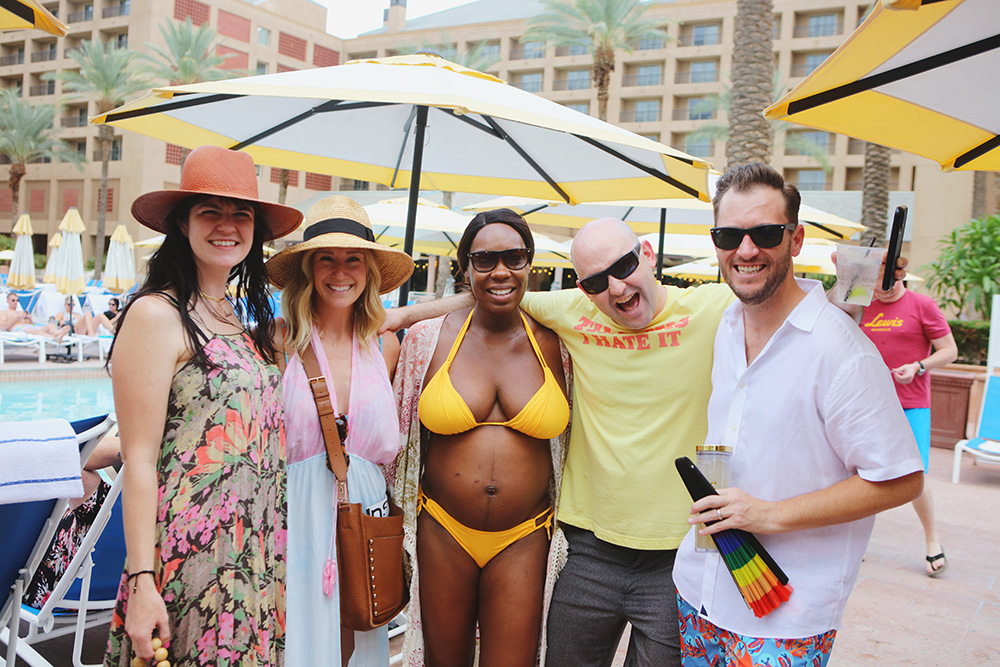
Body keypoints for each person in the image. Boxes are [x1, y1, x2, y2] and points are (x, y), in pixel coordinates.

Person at [384, 211, 909, 667]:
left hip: (674, 551)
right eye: (595, 281)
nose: (614, 287)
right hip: (584, 545)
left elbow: (783, 299)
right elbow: (493, 291)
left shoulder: (713, 309)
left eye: (623, 267)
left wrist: (859, 289)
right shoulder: (573, 311)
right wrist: (402, 315)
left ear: (648, 255)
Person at [672, 162, 924, 666]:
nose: (745, 250)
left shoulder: (841, 350)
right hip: (700, 591)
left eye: (765, 233)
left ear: (796, 238)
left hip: (785, 621)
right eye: (729, 234)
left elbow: (900, 479)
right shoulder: (726, 325)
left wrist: (769, 514)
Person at [104, 145, 302, 667]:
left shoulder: (238, 320)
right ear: (182, 223)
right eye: (209, 210)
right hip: (189, 555)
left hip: (252, 555)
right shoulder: (156, 315)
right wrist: (142, 578)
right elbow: (140, 458)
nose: (227, 225)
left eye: (242, 214)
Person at [393, 209, 570, 666]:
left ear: (530, 262)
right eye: (485, 259)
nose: (501, 271)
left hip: (525, 537)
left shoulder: (559, 342)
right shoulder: (425, 341)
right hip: (442, 529)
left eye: (514, 257)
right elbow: (393, 435)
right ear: (465, 267)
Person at [265, 195, 414, 667]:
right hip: (295, 514)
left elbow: (472, 298)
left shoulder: (385, 346)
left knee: (359, 631)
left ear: (369, 270)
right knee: (294, 640)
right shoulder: (279, 340)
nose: (340, 271)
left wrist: (407, 314)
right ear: (308, 268)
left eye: (354, 259)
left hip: (364, 516)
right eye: (325, 258)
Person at [861, 280, 958, 576]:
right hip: (869, 402)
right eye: (874, 279)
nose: (880, 286)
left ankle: (932, 540)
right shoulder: (863, 306)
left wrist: (918, 366)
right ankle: (855, 543)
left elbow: (949, 350)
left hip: (911, 403)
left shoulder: (922, 305)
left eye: (886, 279)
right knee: (861, 474)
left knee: (915, 478)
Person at [1, 292, 71, 341]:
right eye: (13, 300)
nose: (15, 302)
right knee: (35, 331)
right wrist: (16, 318)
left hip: (28, 327)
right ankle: (54, 338)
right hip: (18, 329)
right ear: (7, 301)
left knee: (50, 325)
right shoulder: (4, 312)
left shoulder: (20, 312)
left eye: (17, 300)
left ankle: (57, 333)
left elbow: (31, 325)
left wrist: (30, 319)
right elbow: (2, 326)